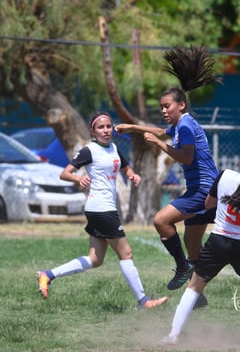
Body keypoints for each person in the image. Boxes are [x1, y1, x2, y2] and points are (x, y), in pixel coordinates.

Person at [36, 111, 168, 310]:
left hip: (103, 209)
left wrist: (133, 175)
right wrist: (78, 178)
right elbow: (65, 173)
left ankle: (48, 275)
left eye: (108, 126)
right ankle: (143, 300)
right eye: (101, 127)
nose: (106, 130)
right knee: (126, 253)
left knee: (95, 259)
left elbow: (125, 167)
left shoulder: (113, 148)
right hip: (101, 209)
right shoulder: (90, 150)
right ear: (93, 131)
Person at [115, 46, 220, 296]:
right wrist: (133, 126)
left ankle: (183, 268)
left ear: (181, 105)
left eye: (167, 106)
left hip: (204, 190)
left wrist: (160, 145)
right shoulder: (183, 123)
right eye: (161, 107)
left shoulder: (184, 126)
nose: (163, 111)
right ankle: (197, 293)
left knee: (161, 220)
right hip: (207, 189)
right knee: (191, 243)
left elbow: (186, 155)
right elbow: (162, 132)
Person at [162, 146, 240, 346]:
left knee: (194, 287)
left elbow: (207, 205)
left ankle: (173, 335)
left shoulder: (225, 176)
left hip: (219, 241)